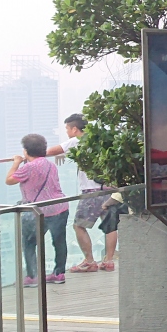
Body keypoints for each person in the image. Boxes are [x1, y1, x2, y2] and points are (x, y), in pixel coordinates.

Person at [48, 114, 116, 273]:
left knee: (78, 226)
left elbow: (51, 150)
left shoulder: (76, 141)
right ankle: (109, 261)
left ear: (74, 129)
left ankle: (90, 261)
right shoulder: (97, 139)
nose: (66, 132)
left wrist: (31, 155)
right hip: (108, 188)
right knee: (110, 225)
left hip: (91, 191)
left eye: (67, 128)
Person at [6, 134, 68, 286]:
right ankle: (59, 274)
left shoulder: (28, 167)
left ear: (26, 151)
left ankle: (32, 276)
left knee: (29, 242)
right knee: (59, 241)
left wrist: (16, 162)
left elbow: (9, 180)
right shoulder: (50, 165)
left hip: (38, 211)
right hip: (59, 206)